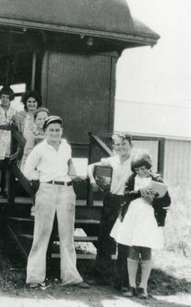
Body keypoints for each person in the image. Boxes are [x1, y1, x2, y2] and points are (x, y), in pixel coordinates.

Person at [23, 116, 89, 288]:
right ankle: (35, 278)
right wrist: (43, 178)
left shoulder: (66, 147)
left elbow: (70, 167)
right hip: (46, 191)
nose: (54, 133)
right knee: (41, 234)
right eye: (51, 130)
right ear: (45, 132)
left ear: (61, 131)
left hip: (66, 191)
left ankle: (71, 277)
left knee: (67, 235)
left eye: (57, 130)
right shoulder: (39, 149)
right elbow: (27, 170)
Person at [110, 153, 171, 299]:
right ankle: (131, 285)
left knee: (146, 249)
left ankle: (143, 286)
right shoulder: (132, 178)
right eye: (137, 170)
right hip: (132, 217)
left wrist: (153, 200)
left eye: (143, 169)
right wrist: (139, 192)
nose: (140, 172)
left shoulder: (157, 180)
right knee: (133, 248)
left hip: (149, 219)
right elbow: (126, 195)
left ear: (149, 167)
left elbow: (166, 202)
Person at [87, 133, 134, 289]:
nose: (120, 147)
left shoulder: (135, 161)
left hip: (127, 202)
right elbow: (90, 167)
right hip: (111, 200)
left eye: (124, 144)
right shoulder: (111, 161)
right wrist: (94, 181)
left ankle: (122, 281)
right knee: (105, 238)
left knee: (123, 241)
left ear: (130, 145)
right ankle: (101, 277)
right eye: (117, 144)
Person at [0, 87, 17, 198]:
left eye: (7, 97)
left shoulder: (15, 112)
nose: (5, 99)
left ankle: (6, 188)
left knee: (8, 165)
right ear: (0, 97)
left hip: (10, 141)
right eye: (3, 97)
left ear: (11, 98)